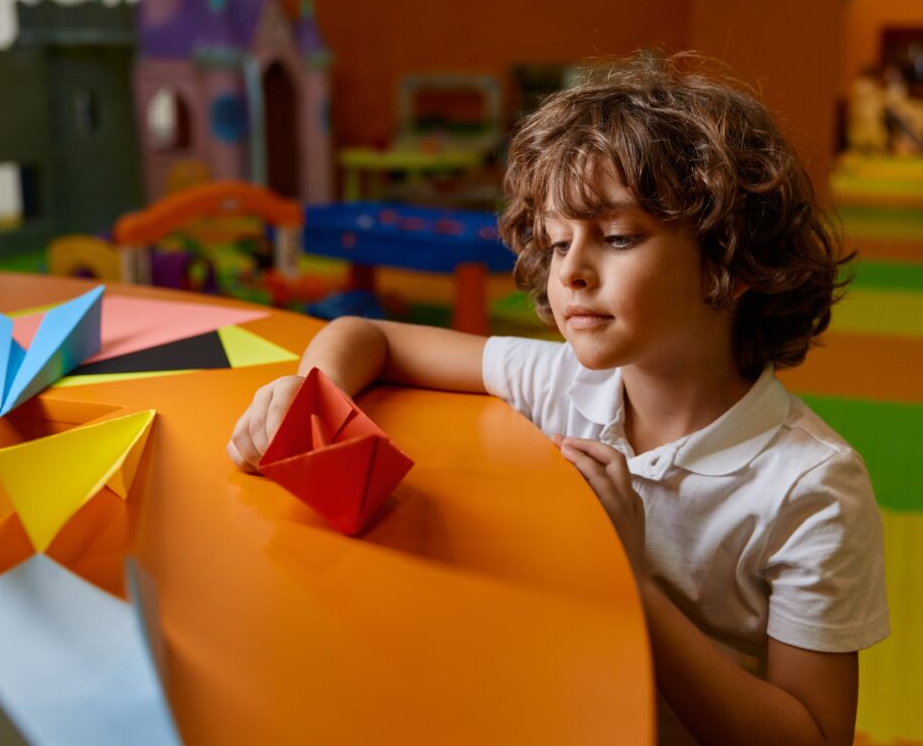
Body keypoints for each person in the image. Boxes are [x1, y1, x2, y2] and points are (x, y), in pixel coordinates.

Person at [228, 54, 889, 745]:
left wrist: (629, 584)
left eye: (617, 237)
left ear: (732, 255)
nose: (568, 271)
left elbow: (812, 737)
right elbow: (363, 335)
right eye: (557, 239)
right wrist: (307, 399)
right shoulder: (569, 379)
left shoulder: (811, 488)